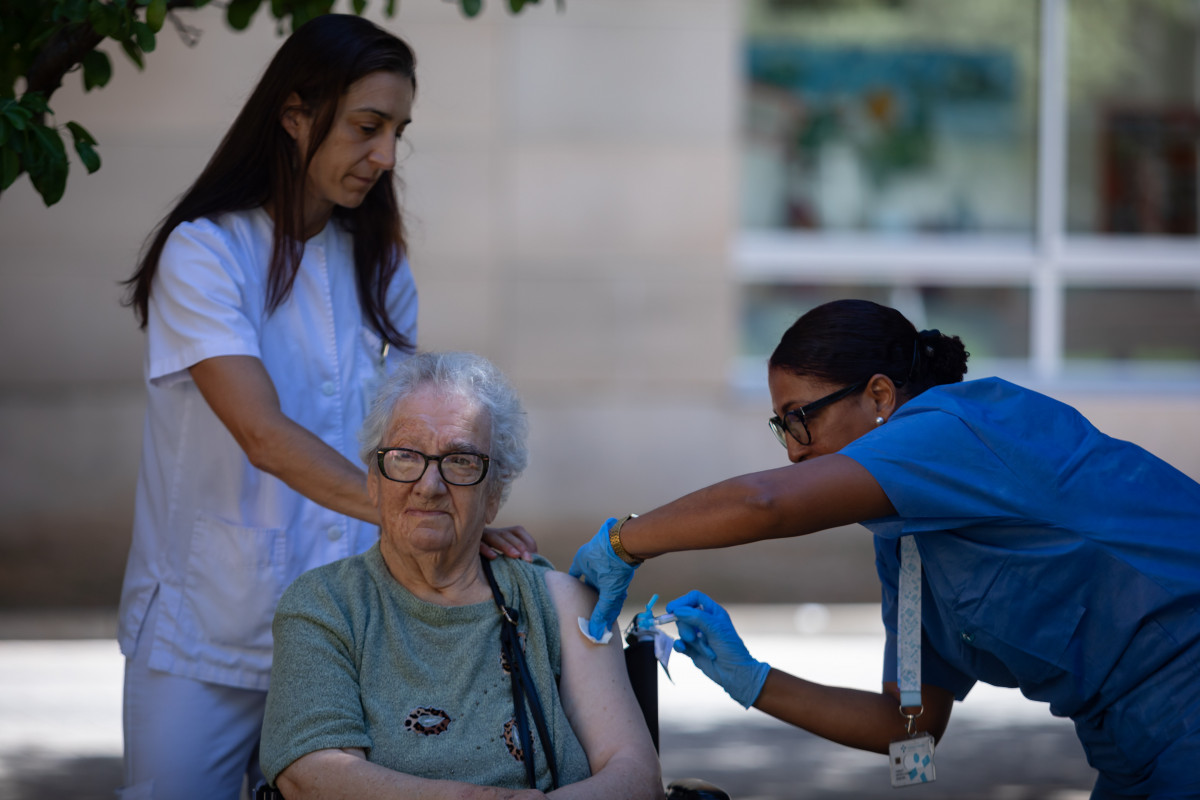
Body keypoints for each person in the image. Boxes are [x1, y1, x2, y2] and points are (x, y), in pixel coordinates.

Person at [116, 16, 533, 799]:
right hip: (206, 625)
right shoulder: (206, 253)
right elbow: (263, 435)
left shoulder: (377, 260)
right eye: (366, 127)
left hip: (347, 624)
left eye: (398, 132)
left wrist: (460, 517)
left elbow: (418, 431)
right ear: (295, 115)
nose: (385, 156)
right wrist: (416, 510)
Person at [570, 298, 1200, 799]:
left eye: (799, 418)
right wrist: (752, 680)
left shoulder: (953, 426)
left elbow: (769, 502)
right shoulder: (904, 545)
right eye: (779, 427)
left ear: (879, 396)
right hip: (1127, 748)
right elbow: (912, 732)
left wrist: (625, 541)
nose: (791, 449)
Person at [259, 351, 663, 799]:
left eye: (461, 462)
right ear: (373, 480)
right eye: (406, 457)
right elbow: (314, 775)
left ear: (494, 496)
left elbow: (635, 776)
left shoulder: (560, 603)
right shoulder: (325, 605)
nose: (429, 486)